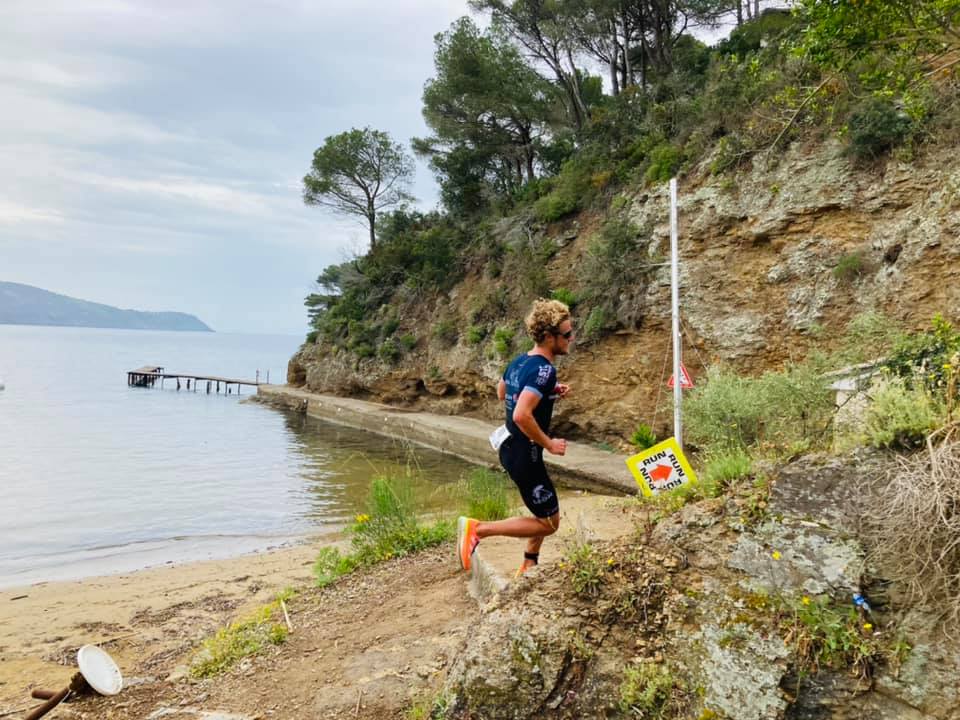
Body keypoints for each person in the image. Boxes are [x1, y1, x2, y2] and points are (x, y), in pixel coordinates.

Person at [457, 298, 574, 576]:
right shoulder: (545, 370)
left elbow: (502, 392)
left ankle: (530, 562)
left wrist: (549, 391)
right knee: (549, 523)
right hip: (525, 454)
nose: (572, 339)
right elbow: (522, 415)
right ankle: (479, 529)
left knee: (543, 510)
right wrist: (550, 444)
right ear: (548, 337)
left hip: (513, 447)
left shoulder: (521, 361)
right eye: (567, 335)